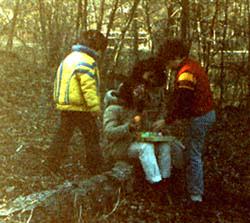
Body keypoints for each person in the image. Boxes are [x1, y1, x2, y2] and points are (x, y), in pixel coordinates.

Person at [153, 38, 216, 205]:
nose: (168, 66)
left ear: (175, 57)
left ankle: (196, 196)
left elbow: (183, 100)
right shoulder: (191, 66)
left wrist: (166, 120)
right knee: (189, 152)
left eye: (168, 61)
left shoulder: (186, 72)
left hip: (200, 116)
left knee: (193, 154)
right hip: (204, 114)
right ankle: (190, 189)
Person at [103, 59, 173, 191]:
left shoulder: (136, 109)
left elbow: (144, 126)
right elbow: (109, 132)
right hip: (119, 147)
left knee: (164, 145)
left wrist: (158, 132)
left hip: (135, 142)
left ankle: (165, 181)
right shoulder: (112, 109)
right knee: (145, 147)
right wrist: (127, 128)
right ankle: (155, 183)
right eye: (135, 95)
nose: (138, 98)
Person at [48, 30, 108, 175]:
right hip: (81, 107)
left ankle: (51, 165)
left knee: (63, 136)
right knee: (92, 136)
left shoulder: (69, 58)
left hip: (66, 105)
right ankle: (95, 167)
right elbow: (88, 87)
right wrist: (95, 108)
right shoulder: (87, 61)